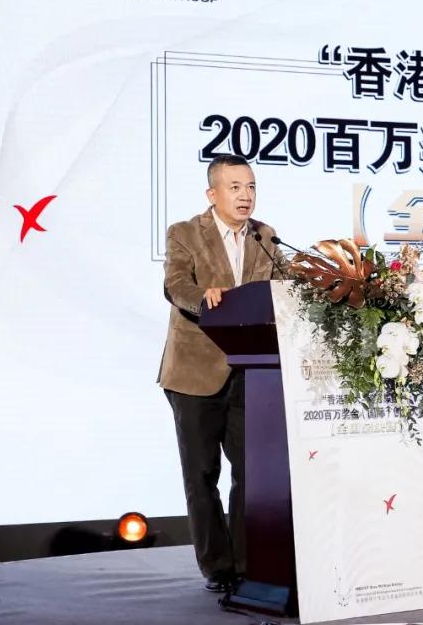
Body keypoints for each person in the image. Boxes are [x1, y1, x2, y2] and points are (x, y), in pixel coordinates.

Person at [158, 154, 286, 593]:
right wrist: (204, 297)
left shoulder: (265, 236)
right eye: (235, 187)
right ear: (212, 194)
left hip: (251, 372)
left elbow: (282, 288)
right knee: (202, 476)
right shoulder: (185, 233)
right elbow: (176, 285)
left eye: (251, 187)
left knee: (251, 475)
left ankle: (250, 564)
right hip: (194, 373)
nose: (245, 195)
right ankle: (218, 567)